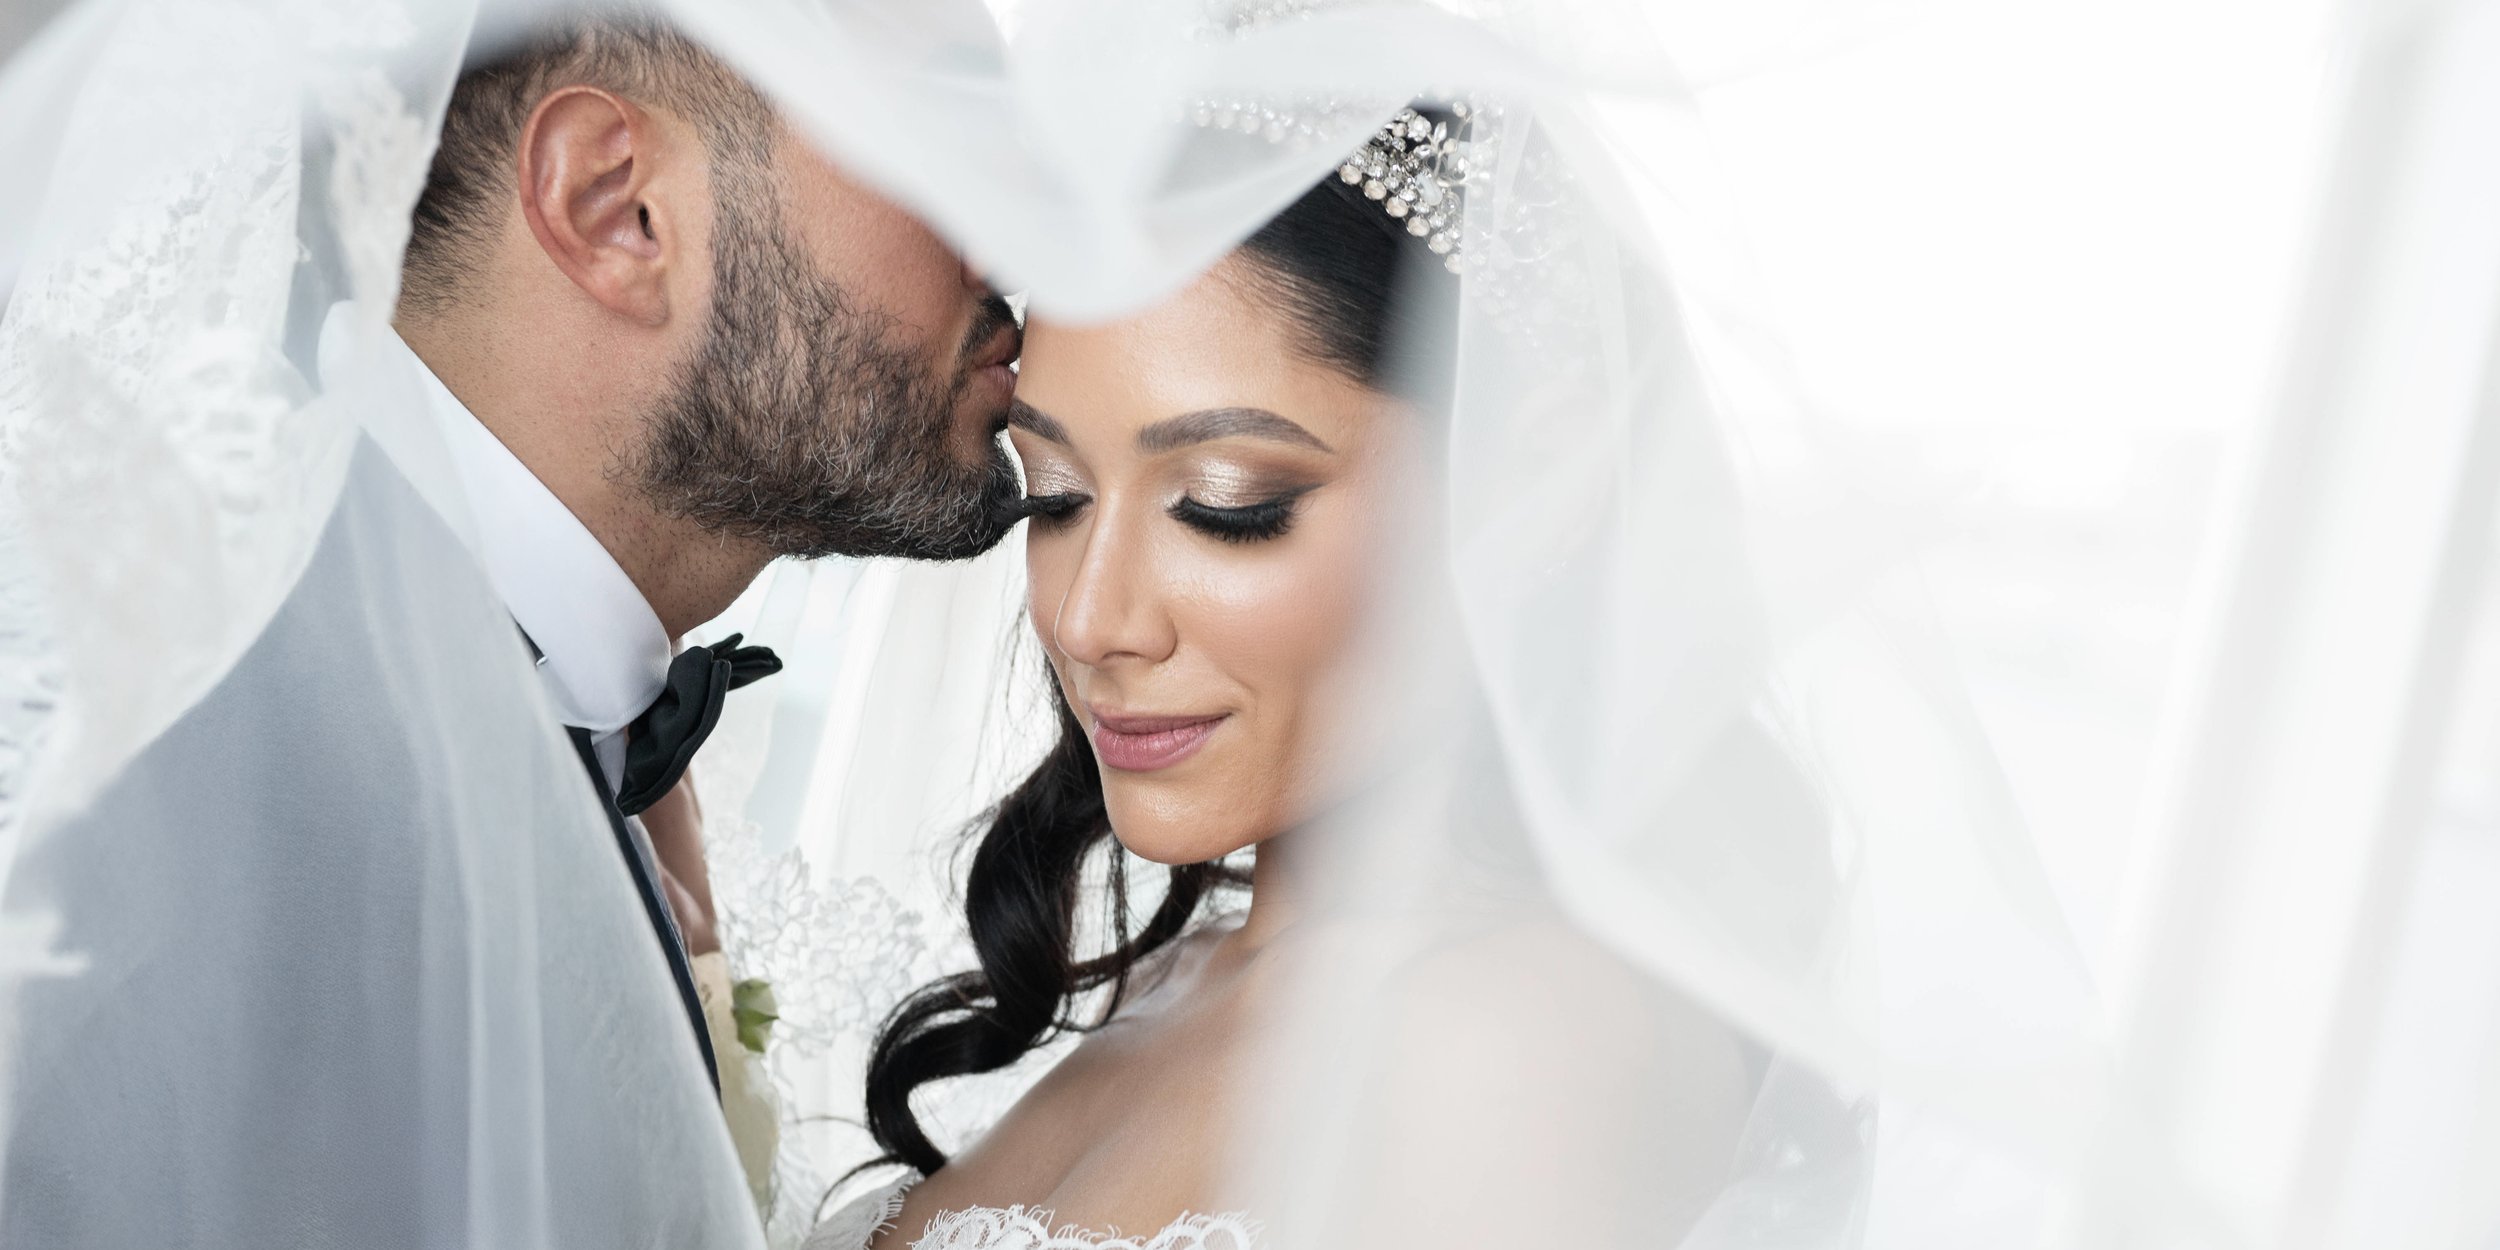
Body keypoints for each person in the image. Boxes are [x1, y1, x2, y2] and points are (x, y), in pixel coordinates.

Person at [0, 7, 1025, 1244]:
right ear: (615, 208)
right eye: (953, 138)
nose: (1033, 239)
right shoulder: (154, 762)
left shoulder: (543, 723)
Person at [800, 106, 1785, 1250]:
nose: (1085, 618)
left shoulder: (1511, 1043)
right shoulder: (1173, 968)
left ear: (1532, 482)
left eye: (1227, 507)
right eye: (1056, 494)